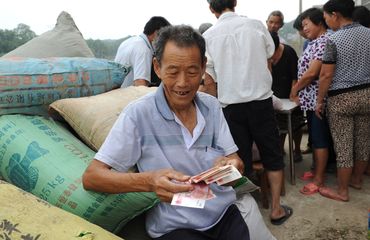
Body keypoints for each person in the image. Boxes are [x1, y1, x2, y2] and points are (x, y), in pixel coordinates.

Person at [83, 24, 266, 240]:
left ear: (203, 67)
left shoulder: (212, 107)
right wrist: (149, 181)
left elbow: (235, 160)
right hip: (176, 228)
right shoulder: (139, 114)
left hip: (224, 214)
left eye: (191, 72)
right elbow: (92, 177)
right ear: (157, 67)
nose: (183, 83)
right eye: (173, 71)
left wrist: (232, 166)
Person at [202, 0, 292, 226]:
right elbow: (269, 57)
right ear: (235, 3)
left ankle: (243, 213)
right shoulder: (256, 26)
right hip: (261, 103)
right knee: (272, 155)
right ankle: (276, 209)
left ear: (211, 9)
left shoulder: (208, 37)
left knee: (238, 161)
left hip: (231, 108)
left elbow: (210, 82)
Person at [316, 0, 370, 202]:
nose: (327, 21)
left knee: (344, 146)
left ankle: (342, 191)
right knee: (364, 142)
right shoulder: (369, 33)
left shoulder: (334, 39)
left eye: (327, 17)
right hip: (367, 95)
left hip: (342, 98)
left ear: (335, 15)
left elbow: (326, 75)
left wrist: (320, 101)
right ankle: (356, 180)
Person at [289, 8, 334, 196]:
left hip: (318, 100)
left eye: (307, 24)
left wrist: (295, 88)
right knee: (315, 138)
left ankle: (319, 179)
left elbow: (313, 73)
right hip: (311, 100)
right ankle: (316, 171)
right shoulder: (315, 42)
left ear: (319, 23)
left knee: (320, 139)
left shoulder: (324, 42)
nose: (304, 28)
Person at [269, 31, 304, 163]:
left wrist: (293, 91)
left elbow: (295, 75)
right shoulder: (265, 55)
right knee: (278, 125)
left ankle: (297, 150)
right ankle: (280, 149)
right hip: (275, 94)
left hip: (290, 92)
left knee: (295, 124)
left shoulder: (288, 52)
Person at [114, 16, 170, 88]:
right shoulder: (143, 49)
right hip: (130, 96)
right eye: (165, 37)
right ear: (156, 33)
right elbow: (140, 83)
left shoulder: (128, 42)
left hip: (118, 91)